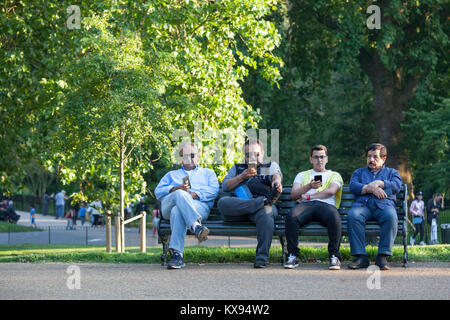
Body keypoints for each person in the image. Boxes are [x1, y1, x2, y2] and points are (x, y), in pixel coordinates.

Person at [217, 139, 282, 268]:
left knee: (266, 212)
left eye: (256, 154)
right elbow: (225, 186)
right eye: (248, 155)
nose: (252, 157)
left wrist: (276, 184)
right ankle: (261, 201)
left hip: (262, 211)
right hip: (241, 208)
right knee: (223, 202)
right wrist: (242, 177)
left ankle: (261, 258)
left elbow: (276, 176)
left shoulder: (269, 166)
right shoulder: (238, 168)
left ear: (262, 153)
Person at [154, 142, 219, 269]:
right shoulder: (171, 175)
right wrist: (175, 188)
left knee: (178, 211)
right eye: (185, 156)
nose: (189, 158)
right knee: (179, 194)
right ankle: (196, 226)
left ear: (199, 156)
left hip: (199, 206)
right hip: (169, 205)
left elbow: (214, 190)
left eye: (192, 155)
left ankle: (177, 255)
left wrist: (193, 195)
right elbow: (158, 192)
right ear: (180, 158)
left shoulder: (208, 173)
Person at [284, 145, 344, 270]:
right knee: (292, 216)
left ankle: (334, 256)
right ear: (311, 159)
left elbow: (331, 191)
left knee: (334, 216)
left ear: (327, 159)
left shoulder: (334, 175)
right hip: (306, 207)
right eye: (316, 157)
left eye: (322, 157)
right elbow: (293, 195)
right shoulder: (302, 175)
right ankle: (292, 255)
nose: (319, 160)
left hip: (326, 206)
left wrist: (307, 197)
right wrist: (309, 186)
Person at [347, 143, 402, 270]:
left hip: (384, 206)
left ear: (383, 159)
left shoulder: (392, 172)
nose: (371, 160)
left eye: (375, 157)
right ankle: (361, 257)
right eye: (369, 156)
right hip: (363, 205)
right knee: (353, 216)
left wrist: (380, 182)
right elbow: (353, 186)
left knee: (390, 216)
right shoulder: (359, 172)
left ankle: (382, 257)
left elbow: (396, 186)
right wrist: (371, 189)